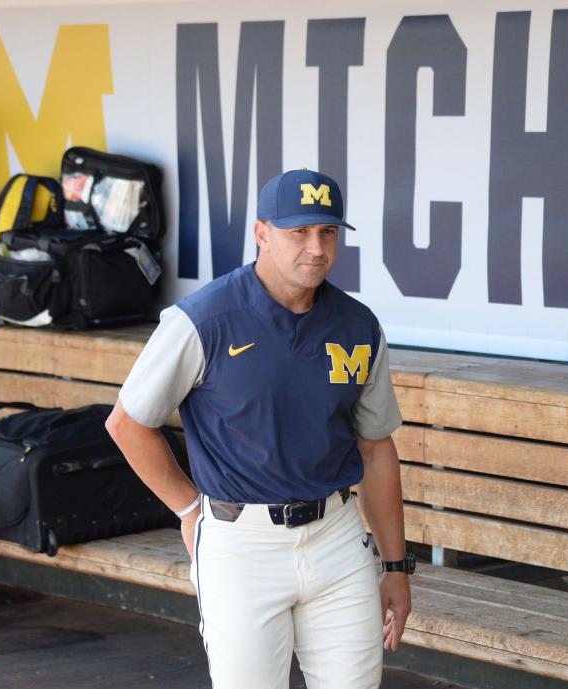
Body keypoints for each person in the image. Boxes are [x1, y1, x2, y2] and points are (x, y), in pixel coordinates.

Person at [106, 168, 413, 689]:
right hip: (240, 543)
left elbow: (377, 449)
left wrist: (397, 567)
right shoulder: (203, 318)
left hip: (337, 536)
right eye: (299, 232)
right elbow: (128, 423)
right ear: (262, 233)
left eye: (328, 232)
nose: (316, 248)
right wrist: (187, 508)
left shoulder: (358, 325)